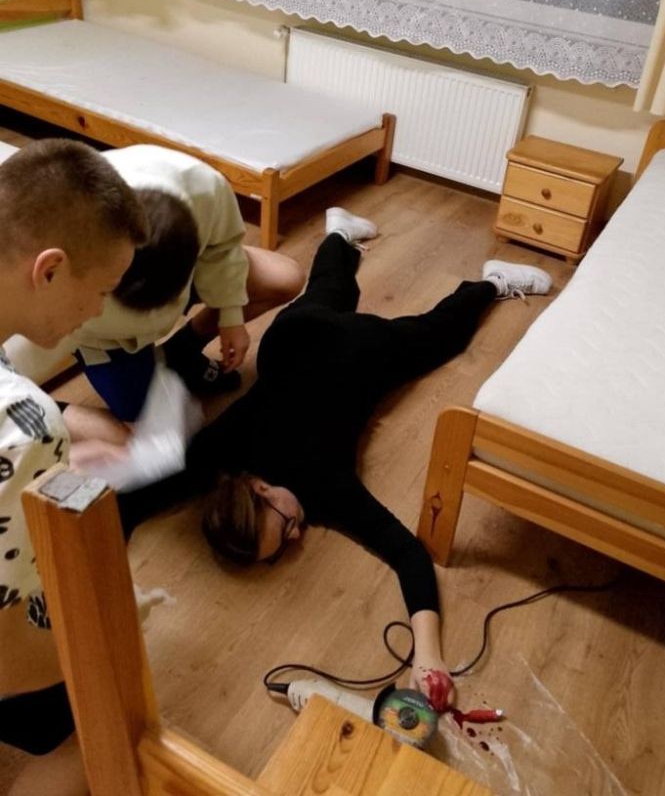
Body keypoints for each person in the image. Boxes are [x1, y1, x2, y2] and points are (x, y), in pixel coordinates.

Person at [193, 207, 552, 710]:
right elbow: (153, 486)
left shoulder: (323, 486)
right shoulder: (218, 454)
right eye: (280, 550)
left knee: (440, 335)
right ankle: (339, 233)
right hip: (290, 337)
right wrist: (427, 656)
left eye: (285, 525)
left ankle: (492, 282)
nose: (296, 535)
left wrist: (427, 653)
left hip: (357, 351)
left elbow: (408, 553)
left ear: (259, 488)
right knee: (329, 291)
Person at [0, 138, 146, 793]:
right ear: (51, 269)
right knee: (109, 715)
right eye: (102, 291)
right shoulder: (20, 422)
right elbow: (5, 664)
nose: (99, 312)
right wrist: (113, 633)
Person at [63, 144, 305, 424]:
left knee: (286, 277)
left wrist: (230, 316)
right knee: (137, 410)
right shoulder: (59, 236)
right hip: (103, 335)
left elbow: (223, 247)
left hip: (180, 270)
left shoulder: (204, 187)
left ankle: (182, 349)